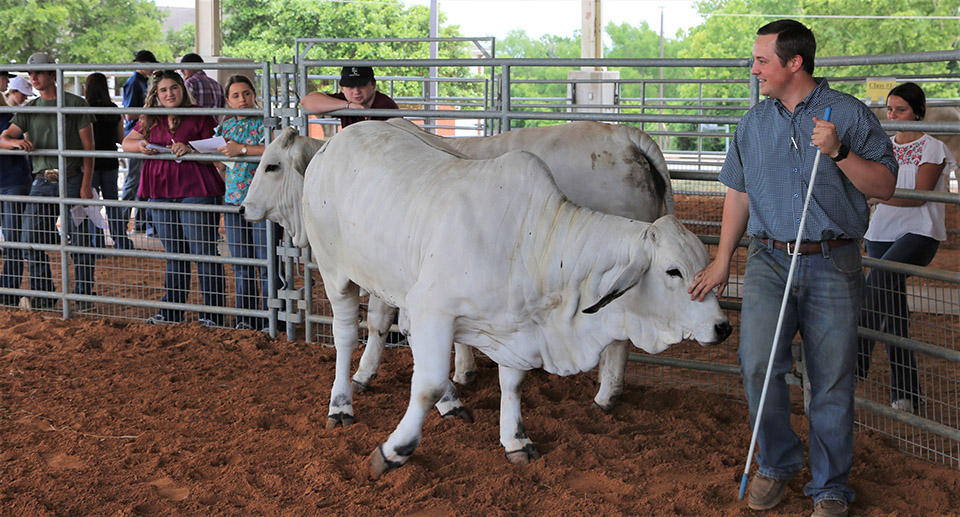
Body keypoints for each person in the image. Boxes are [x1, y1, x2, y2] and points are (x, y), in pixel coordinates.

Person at [687, 20, 897, 517]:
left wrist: (840, 151)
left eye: (762, 60)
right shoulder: (752, 123)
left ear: (793, 63)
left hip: (834, 260)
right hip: (767, 259)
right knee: (757, 364)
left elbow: (885, 186)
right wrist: (722, 260)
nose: (754, 67)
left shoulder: (846, 114)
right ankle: (777, 464)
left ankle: (829, 487)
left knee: (829, 379)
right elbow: (738, 192)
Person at [857, 82, 956, 414]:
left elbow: (918, 196)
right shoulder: (882, 147)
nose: (893, 115)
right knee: (894, 312)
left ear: (918, 112)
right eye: (890, 109)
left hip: (920, 232)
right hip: (881, 232)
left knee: (877, 282)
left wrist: (877, 193)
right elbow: (867, 184)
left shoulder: (934, 148)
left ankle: (855, 361)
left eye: (900, 109)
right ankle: (906, 393)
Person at [121, 70, 226, 326]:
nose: (170, 94)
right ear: (156, 94)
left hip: (196, 188)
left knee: (203, 251)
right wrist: (140, 146)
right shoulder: (150, 117)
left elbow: (218, 144)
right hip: (160, 189)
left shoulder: (199, 112)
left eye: (174, 88)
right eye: (164, 90)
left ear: (183, 89)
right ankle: (172, 312)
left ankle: (212, 314)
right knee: (174, 252)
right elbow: (127, 142)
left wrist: (191, 148)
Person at [0, 52, 99, 310]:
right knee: (29, 238)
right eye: (31, 74)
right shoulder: (29, 110)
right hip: (43, 180)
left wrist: (87, 184)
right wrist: (15, 142)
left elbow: (89, 148)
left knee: (80, 241)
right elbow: (3, 137)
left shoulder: (75, 104)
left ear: (52, 75)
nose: (33, 78)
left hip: (74, 177)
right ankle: (44, 293)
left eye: (39, 73)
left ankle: (83, 294)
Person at [214, 75, 282, 330]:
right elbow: (220, 164)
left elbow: (274, 150)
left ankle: (272, 316)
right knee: (242, 262)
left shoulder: (265, 125)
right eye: (235, 96)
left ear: (254, 95)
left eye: (246, 94)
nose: (242, 99)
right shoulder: (224, 128)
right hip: (233, 201)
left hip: (265, 203)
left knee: (267, 261)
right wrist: (217, 158)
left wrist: (241, 149)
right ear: (228, 101)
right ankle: (246, 316)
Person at [85, 72, 134, 250]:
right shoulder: (113, 109)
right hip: (110, 161)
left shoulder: (83, 109)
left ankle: (96, 243)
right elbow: (121, 138)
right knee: (112, 203)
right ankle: (121, 241)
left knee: (92, 205)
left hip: (90, 162)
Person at [0, 76, 34, 306]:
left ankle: (9, 290)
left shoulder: (10, 116)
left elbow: (22, 140)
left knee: (12, 237)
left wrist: (13, 142)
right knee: (11, 236)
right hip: (10, 178)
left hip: (14, 178)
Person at [122, 50, 157, 236]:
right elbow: (129, 114)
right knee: (134, 180)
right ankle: (123, 222)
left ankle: (140, 222)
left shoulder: (141, 81)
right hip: (136, 135)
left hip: (143, 133)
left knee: (142, 180)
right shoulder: (134, 83)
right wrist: (150, 111)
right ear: (142, 64)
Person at [299, 66, 399, 128]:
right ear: (342, 89)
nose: (356, 92)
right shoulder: (344, 100)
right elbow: (306, 102)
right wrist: (348, 106)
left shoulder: (385, 105)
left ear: (373, 85)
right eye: (350, 87)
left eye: (362, 85)